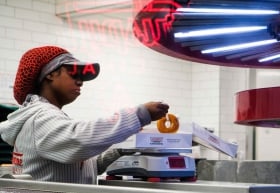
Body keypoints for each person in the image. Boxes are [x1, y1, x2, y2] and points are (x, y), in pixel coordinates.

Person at [0, 46, 169, 184]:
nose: (80, 81)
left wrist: (119, 151)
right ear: (49, 74)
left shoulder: (48, 118)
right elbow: (80, 139)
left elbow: (83, 165)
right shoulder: (40, 119)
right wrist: (140, 114)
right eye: (73, 73)